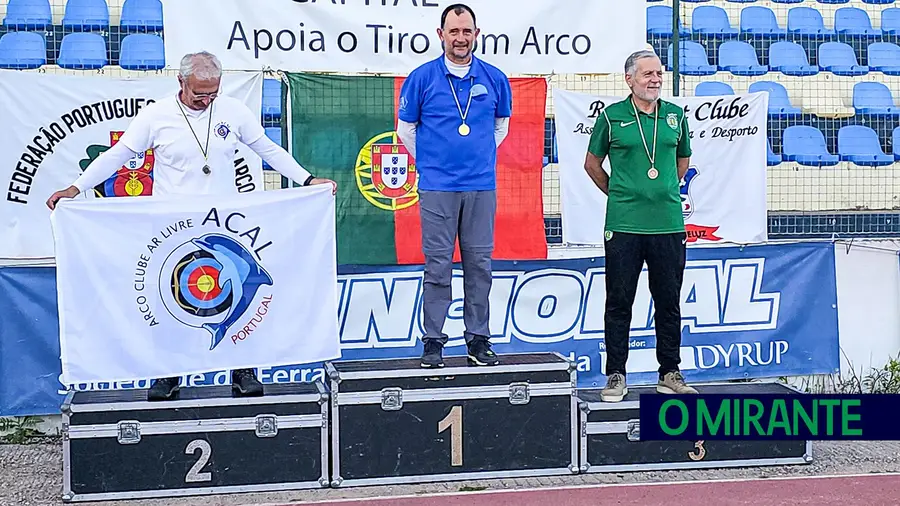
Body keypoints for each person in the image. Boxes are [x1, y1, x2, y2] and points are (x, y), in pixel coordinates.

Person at [46, 51, 337, 402]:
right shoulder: (156, 116)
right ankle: (167, 375)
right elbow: (118, 155)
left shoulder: (233, 111)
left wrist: (306, 180)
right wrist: (75, 187)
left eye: (213, 92)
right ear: (181, 82)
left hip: (223, 223)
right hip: (173, 228)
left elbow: (267, 149)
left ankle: (243, 370)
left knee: (233, 296)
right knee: (168, 296)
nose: (207, 99)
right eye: (200, 93)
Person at [396, 3, 511, 368]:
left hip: (481, 187)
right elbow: (405, 130)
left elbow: (500, 126)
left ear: (477, 35)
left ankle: (478, 340)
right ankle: (433, 342)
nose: (460, 38)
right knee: (438, 266)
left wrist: (476, 157)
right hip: (437, 189)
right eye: (454, 31)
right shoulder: (422, 77)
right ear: (440, 34)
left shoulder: (493, 78)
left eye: (467, 31)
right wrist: (433, 164)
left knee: (479, 265)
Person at [583, 49, 698, 402]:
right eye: (647, 74)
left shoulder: (675, 116)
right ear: (629, 78)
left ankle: (669, 372)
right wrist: (621, 193)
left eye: (659, 74)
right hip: (625, 224)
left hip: (667, 224)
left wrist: (660, 190)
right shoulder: (612, 117)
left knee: (669, 301)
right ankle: (616, 374)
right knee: (619, 301)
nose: (655, 80)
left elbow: (682, 161)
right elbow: (592, 164)